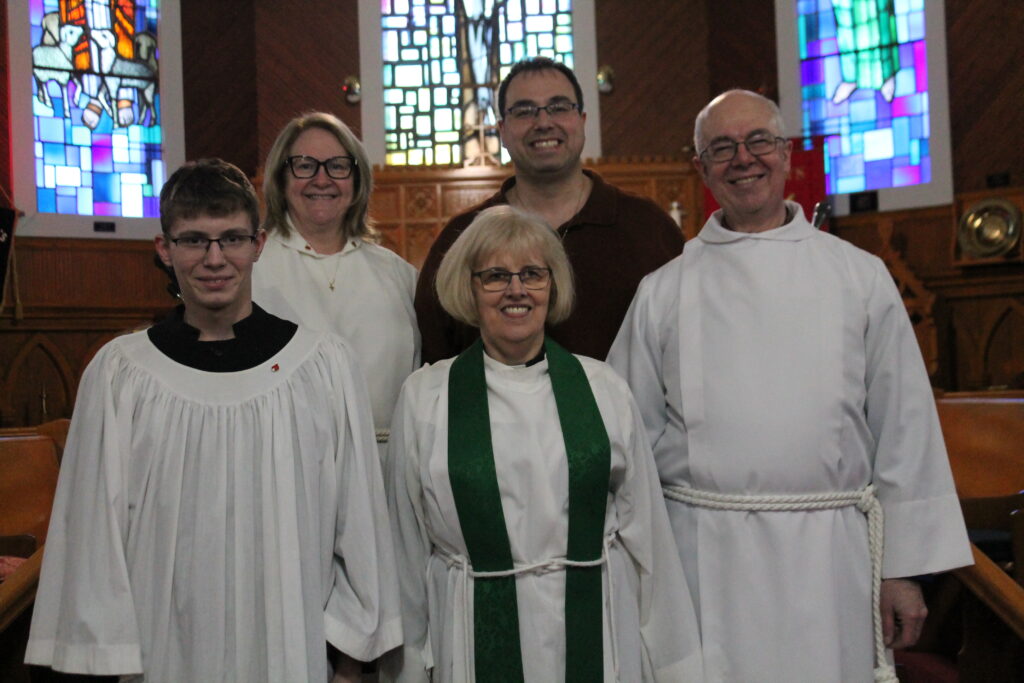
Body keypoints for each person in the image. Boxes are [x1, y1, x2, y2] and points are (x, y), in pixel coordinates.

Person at [608, 90, 972, 683]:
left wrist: (902, 571)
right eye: (722, 148)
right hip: (702, 558)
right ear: (701, 168)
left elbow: (905, 428)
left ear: (784, 154)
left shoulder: (858, 276)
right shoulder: (663, 291)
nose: (743, 159)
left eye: (758, 142)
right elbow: (625, 437)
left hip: (832, 557)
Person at [26, 159, 402, 682]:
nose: (215, 258)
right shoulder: (121, 374)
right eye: (194, 240)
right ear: (164, 248)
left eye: (231, 239)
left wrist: (350, 663)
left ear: (258, 244)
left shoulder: (322, 366)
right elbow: (93, 537)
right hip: (160, 651)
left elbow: (357, 519)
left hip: (289, 648)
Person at [380, 205, 703, 683]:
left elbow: (650, 541)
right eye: (495, 276)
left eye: (532, 273)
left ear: (552, 286)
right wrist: (405, 667)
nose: (517, 290)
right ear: (469, 288)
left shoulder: (602, 389)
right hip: (472, 637)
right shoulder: (427, 397)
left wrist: (677, 668)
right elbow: (405, 551)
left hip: (595, 631)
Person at [415, 57, 683, 364]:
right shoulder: (462, 237)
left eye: (558, 107)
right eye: (524, 111)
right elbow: (435, 356)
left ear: (582, 120)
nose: (543, 123)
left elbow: (682, 342)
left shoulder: (649, 228)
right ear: (502, 130)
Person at [253, 111, 420, 446]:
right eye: (304, 165)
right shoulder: (251, 270)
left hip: (385, 459)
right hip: (285, 458)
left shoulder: (397, 273)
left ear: (357, 180)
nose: (322, 179)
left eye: (338, 166)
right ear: (281, 179)